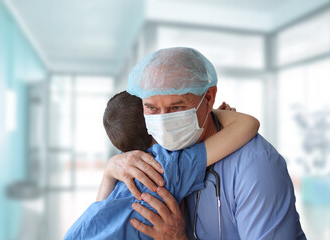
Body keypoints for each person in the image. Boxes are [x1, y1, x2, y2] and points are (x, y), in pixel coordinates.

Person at [100, 47, 307, 239]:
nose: (163, 123)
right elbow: (99, 220)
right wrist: (110, 171)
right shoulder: (155, 154)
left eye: (176, 107)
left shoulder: (255, 166)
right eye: (152, 108)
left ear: (208, 98)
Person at [63, 90, 259, 240]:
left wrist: (108, 173)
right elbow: (247, 124)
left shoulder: (127, 162)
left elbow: (99, 212)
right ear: (155, 122)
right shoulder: (168, 165)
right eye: (155, 107)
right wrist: (207, 111)